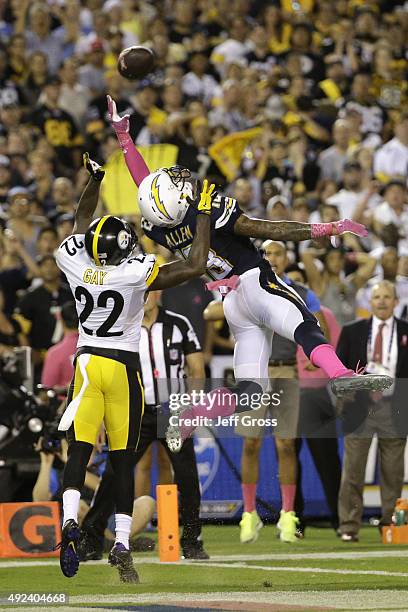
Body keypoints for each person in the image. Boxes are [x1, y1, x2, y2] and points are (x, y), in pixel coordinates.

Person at [107, 95, 392, 454]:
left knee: (251, 391)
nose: (181, 180)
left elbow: (145, 184)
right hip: (255, 282)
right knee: (304, 322)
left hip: (231, 303)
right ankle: (341, 375)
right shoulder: (206, 209)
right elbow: (268, 229)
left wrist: (124, 138)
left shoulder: (157, 225)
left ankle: (193, 413)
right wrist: (326, 228)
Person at [54, 151, 217, 582]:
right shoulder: (134, 272)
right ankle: (122, 545)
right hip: (124, 369)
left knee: (80, 448)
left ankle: (70, 519)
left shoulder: (74, 260)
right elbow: (197, 264)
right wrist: (201, 211)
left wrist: (95, 181)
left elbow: (78, 224)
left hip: (87, 363)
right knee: (123, 462)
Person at [79, 290, 209, 561]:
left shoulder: (178, 323)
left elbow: (197, 368)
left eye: (149, 291)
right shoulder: (120, 328)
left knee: (186, 474)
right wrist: (103, 416)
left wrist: (195, 408)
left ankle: (192, 540)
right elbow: (107, 375)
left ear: (160, 292)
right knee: (115, 471)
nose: (145, 297)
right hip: (134, 411)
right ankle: (91, 537)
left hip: (174, 409)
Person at [236, 240, 321, 544]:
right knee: (250, 444)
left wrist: (315, 353)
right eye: (266, 254)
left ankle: (287, 514)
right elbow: (212, 312)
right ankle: (248, 514)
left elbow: (315, 323)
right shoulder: (245, 286)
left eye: (277, 254)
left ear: (287, 259)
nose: (271, 258)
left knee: (286, 445)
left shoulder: (300, 291)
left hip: (286, 369)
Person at [336, 281, 408, 542]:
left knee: (393, 472)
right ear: (370, 301)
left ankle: (391, 526)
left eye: (386, 296)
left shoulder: (406, 331)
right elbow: (339, 370)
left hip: (395, 407)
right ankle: (348, 526)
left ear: (396, 301)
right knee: (353, 470)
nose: (381, 301)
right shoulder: (352, 331)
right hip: (360, 407)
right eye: (376, 297)